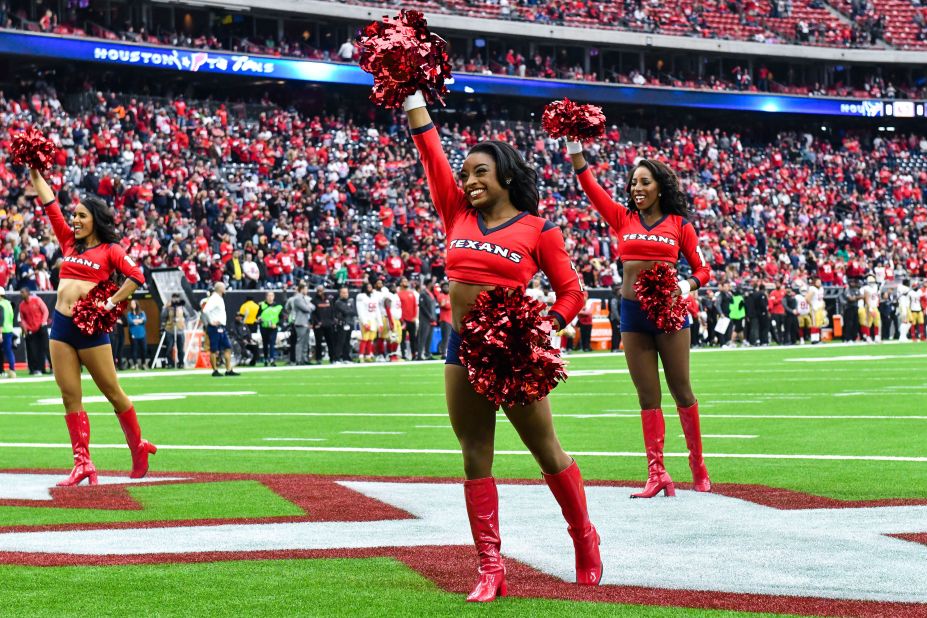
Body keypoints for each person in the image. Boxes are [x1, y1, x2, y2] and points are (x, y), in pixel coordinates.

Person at [407, 91, 599, 602]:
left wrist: (543, 327)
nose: (468, 181)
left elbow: (572, 292)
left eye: (479, 173)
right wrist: (411, 92)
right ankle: (490, 567)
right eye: (466, 173)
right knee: (475, 457)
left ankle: (583, 535)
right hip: (460, 345)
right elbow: (430, 149)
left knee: (546, 450)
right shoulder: (455, 212)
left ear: (505, 178)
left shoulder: (539, 229)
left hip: (512, 350)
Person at [569, 143, 711, 498]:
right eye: (633, 183)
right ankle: (657, 473)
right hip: (632, 314)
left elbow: (703, 270)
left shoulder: (679, 225)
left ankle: (698, 465)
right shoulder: (622, 218)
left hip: (670, 313)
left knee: (681, 390)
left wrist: (685, 284)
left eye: (644, 182)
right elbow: (589, 185)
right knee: (647, 396)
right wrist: (575, 147)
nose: (637, 189)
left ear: (659, 186)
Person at [29, 167, 155, 487]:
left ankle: (138, 447)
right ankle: (82, 462)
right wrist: (33, 169)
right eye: (74, 216)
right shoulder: (69, 242)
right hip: (60, 327)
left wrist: (109, 304)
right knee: (70, 396)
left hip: (91, 330)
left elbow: (136, 277)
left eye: (82, 216)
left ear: (95, 219)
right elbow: (49, 202)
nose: (75, 220)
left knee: (112, 392)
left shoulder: (111, 250)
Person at [202, 282, 239, 377]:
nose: (225, 289)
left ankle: (228, 369)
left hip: (221, 327)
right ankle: (215, 370)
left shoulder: (218, 298)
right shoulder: (214, 298)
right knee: (214, 350)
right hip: (215, 327)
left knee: (227, 348)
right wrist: (211, 321)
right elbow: (205, 310)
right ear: (220, 289)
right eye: (224, 288)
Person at [18, 287, 50, 374]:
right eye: (20, 292)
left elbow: (45, 311)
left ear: (28, 293)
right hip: (31, 329)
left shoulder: (37, 300)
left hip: (41, 326)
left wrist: (43, 322)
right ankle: (36, 369)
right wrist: (26, 327)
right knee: (33, 350)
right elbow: (22, 318)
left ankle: (52, 368)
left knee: (46, 347)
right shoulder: (21, 305)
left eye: (22, 292)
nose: (21, 294)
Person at [355, 282, 380, 363]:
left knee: (370, 339)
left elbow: (377, 310)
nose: (369, 288)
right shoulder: (361, 296)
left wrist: (380, 323)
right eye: (368, 287)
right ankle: (361, 356)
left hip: (373, 320)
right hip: (366, 319)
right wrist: (364, 322)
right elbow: (360, 310)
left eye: (370, 287)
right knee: (364, 338)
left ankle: (368, 355)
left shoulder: (374, 297)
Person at [160, 293, 186, 368]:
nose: (175, 300)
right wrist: (165, 307)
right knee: (169, 348)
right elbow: (163, 316)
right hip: (170, 329)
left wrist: (184, 323)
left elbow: (187, 316)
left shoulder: (181, 307)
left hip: (180, 330)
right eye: (174, 298)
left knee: (180, 348)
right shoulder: (168, 307)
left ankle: (181, 362)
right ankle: (170, 362)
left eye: (177, 298)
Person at [257, 291, 283, 366]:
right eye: (268, 296)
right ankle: (265, 359)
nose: (270, 297)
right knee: (265, 343)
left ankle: (272, 359)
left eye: (271, 295)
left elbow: (281, 317)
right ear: (266, 297)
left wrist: (277, 324)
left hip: (273, 327)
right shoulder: (262, 305)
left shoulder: (278, 306)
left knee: (272, 342)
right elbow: (257, 316)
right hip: (264, 327)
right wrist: (259, 319)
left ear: (274, 297)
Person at [333, 286, 357, 363]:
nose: (345, 294)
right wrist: (348, 309)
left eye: (346, 292)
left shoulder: (351, 300)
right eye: (343, 293)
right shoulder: (338, 302)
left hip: (349, 323)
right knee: (340, 342)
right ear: (340, 293)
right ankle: (337, 358)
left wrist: (348, 309)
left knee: (347, 342)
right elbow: (346, 311)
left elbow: (354, 312)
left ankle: (346, 358)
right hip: (342, 324)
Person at [290, 283, 312, 364]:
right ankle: (298, 360)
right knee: (300, 342)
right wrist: (309, 306)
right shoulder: (297, 299)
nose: (307, 291)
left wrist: (309, 306)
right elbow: (307, 309)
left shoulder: (304, 298)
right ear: (302, 289)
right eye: (306, 289)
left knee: (306, 342)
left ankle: (304, 359)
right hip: (300, 322)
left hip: (306, 322)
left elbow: (313, 306)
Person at [312, 285, 335, 364]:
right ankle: (318, 359)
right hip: (319, 325)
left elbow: (332, 311)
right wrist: (317, 322)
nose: (320, 292)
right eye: (318, 290)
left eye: (321, 290)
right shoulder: (314, 300)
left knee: (331, 342)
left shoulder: (329, 299)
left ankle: (332, 358)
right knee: (318, 343)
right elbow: (313, 314)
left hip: (329, 324)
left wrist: (332, 321)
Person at [397, 277, 419, 360]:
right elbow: (398, 307)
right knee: (402, 338)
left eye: (406, 281)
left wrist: (415, 317)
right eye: (404, 281)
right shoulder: (398, 294)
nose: (406, 282)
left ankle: (414, 354)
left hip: (412, 319)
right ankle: (403, 354)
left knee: (413, 338)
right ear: (400, 283)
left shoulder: (411, 293)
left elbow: (415, 306)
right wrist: (401, 319)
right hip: (403, 320)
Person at [417, 279, 437, 360]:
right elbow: (422, 306)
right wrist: (429, 316)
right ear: (429, 284)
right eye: (432, 283)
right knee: (423, 337)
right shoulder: (423, 294)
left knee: (429, 337)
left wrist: (434, 317)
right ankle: (420, 354)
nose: (433, 285)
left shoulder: (431, 294)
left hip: (432, 319)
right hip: (425, 319)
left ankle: (427, 353)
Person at [127, 300, 148, 369]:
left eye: (133, 303)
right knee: (134, 349)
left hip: (142, 334)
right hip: (133, 334)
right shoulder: (129, 314)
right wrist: (139, 321)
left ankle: (143, 363)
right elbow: (130, 321)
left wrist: (136, 321)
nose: (132, 305)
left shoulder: (142, 313)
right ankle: (135, 364)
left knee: (144, 349)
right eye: (131, 303)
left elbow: (144, 320)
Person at [0, 287, 15, 378]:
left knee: (4, 352)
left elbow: (1, 319)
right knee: (9, 351)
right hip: (9, 329)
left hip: (2, 330)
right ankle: (12, 369)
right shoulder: (8, 304)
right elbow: (11, 316)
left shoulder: (1, 304)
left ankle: (6, 371)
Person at [607, 285, 622, 352]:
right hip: (615, 319)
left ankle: (616, 348)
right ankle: (614, 348)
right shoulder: (614, 298)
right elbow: (614, 310)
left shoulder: (619, 298)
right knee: (616, 333)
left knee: (618, 333)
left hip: (618, 318)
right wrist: (619, 319)